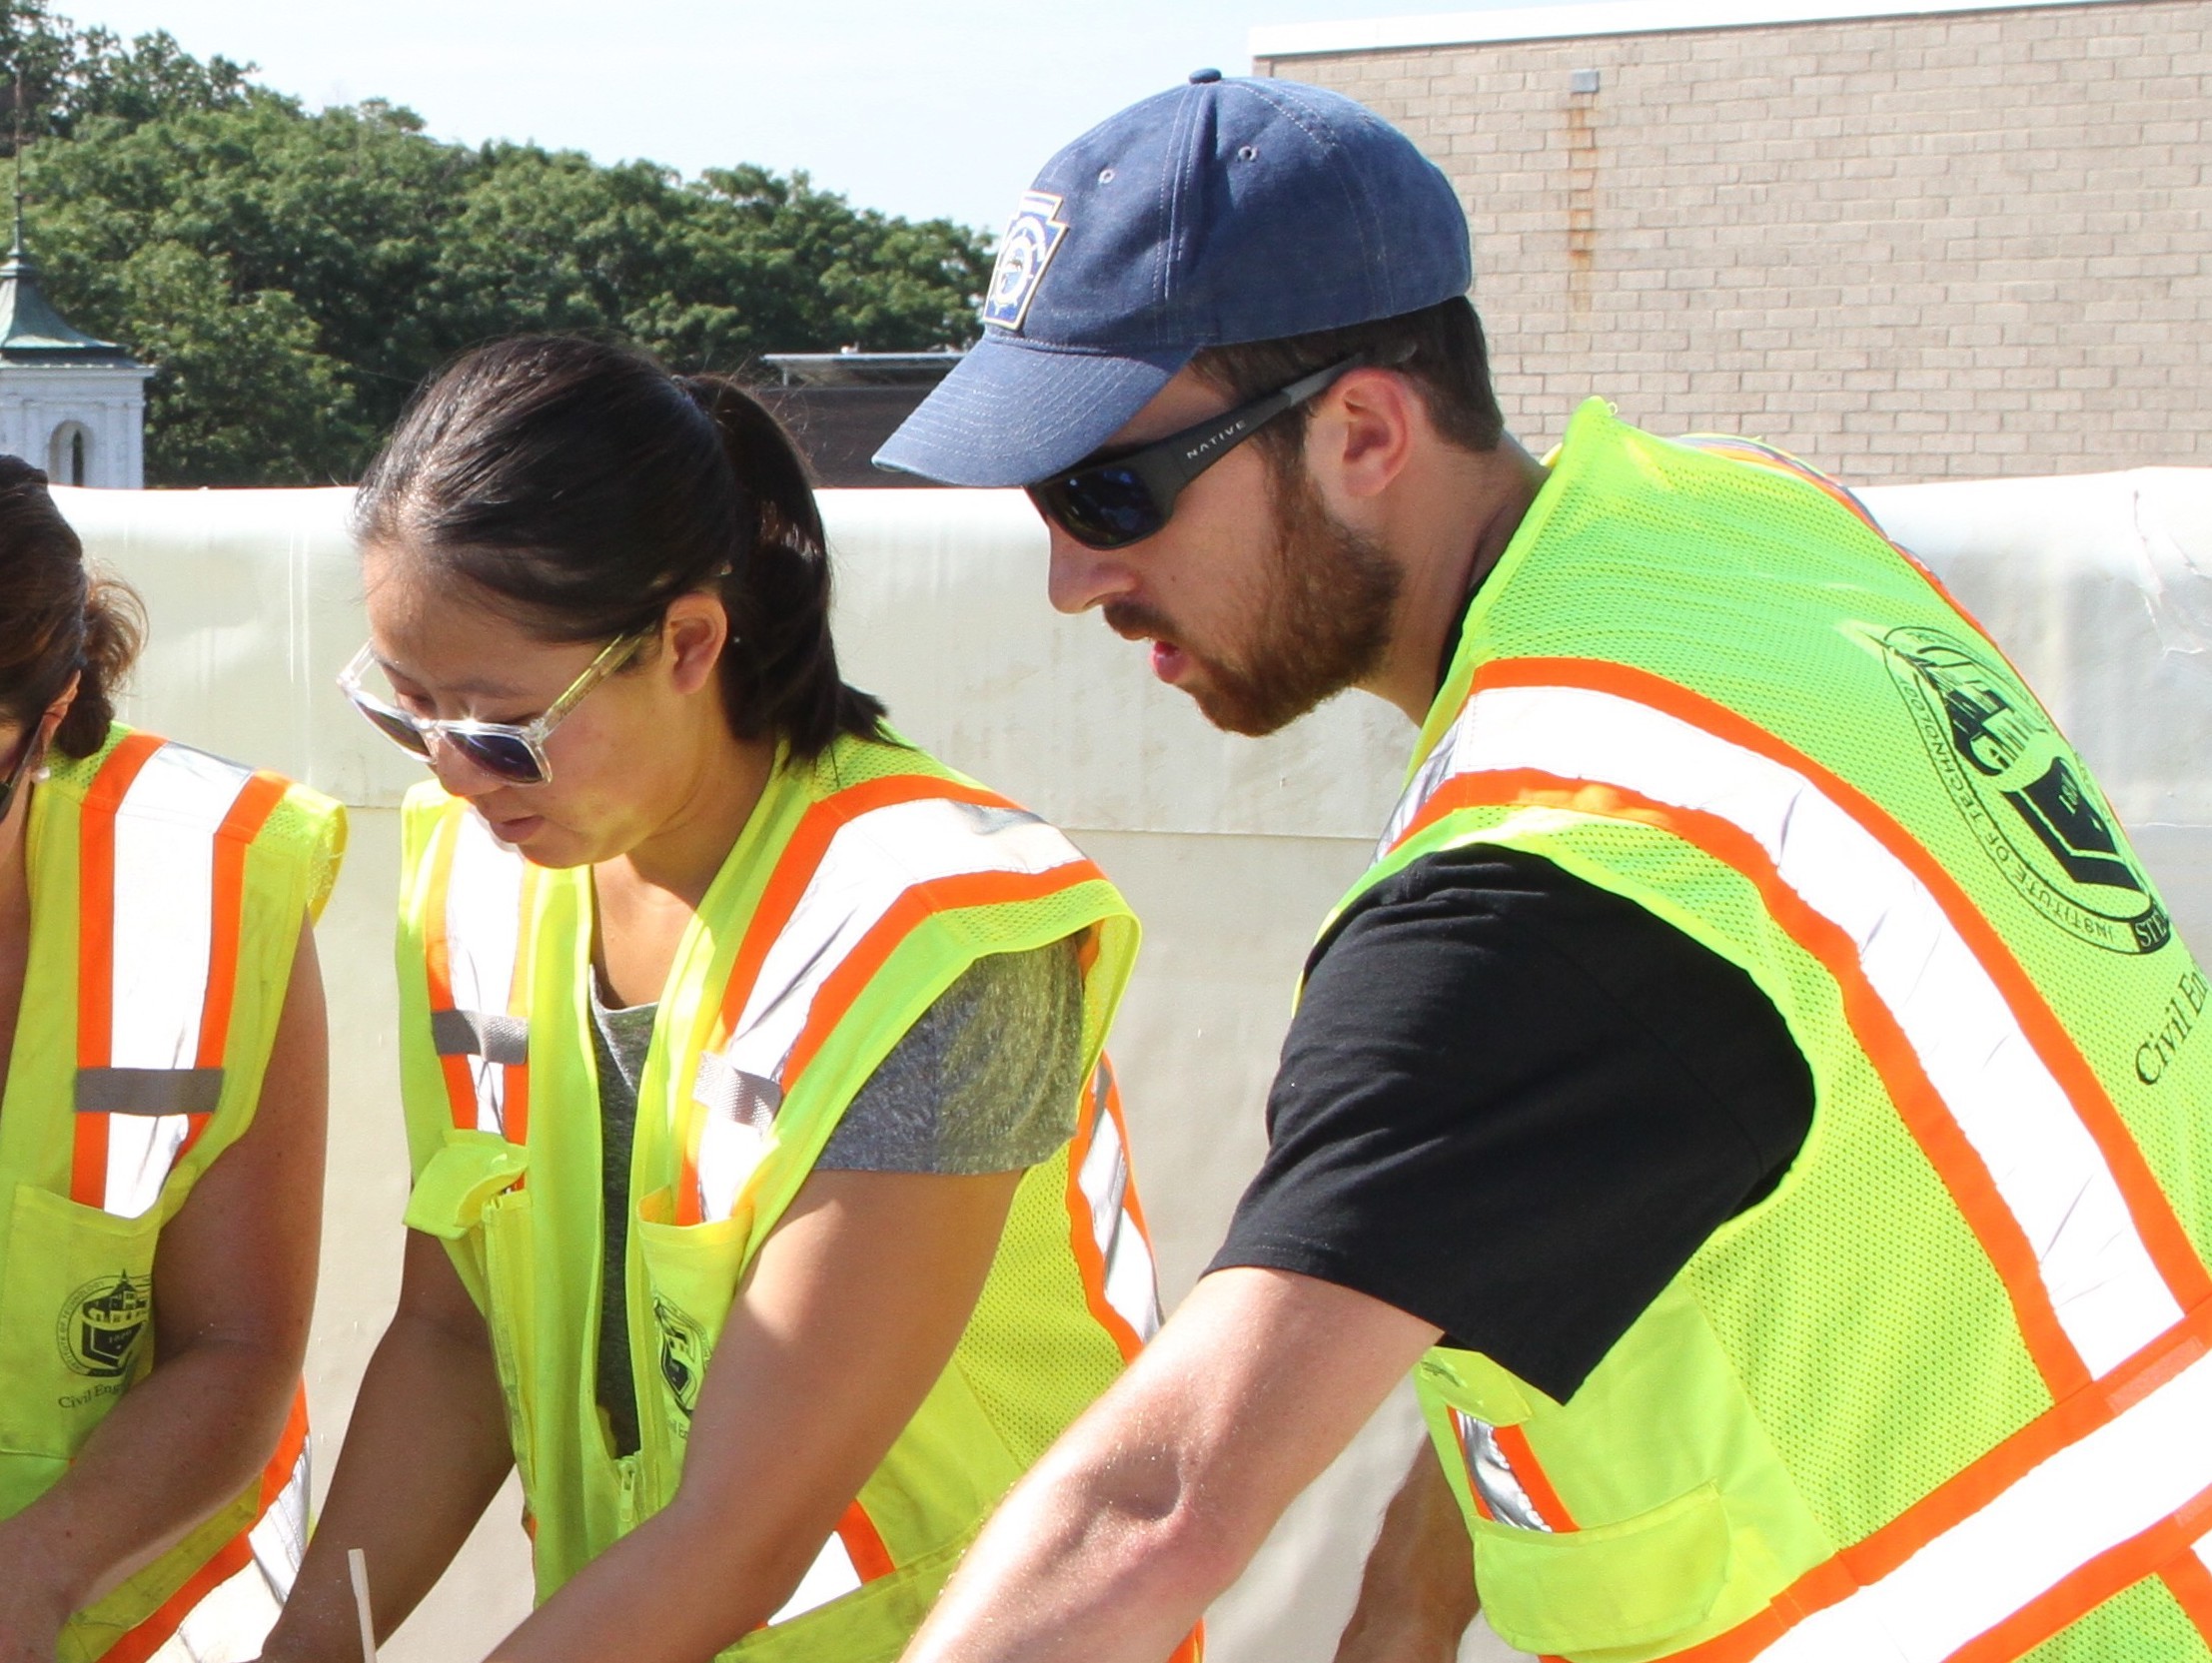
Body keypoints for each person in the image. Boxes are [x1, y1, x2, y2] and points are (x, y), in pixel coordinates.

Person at [871, 71, 2212, 1663]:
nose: (1070, 576)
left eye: (1107, 488)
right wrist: (1395, 1621)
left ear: (1366, 429)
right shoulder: (1737, 528)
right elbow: (1540, 1225)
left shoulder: (1547, 890)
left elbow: (1151, 1511)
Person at [259, 337, 1183, 1663]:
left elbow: (741, 1533)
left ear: (688, 640)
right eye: (410, 709)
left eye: (501, 721)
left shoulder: (934, 930)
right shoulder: (475, 873)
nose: (458, 772)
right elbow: (455, 1335)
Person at [0, 455, 340, 1663]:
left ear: (50, 721)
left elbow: (238, 1342)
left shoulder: (211, 882)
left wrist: (32, 1578)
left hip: (153, 1618)